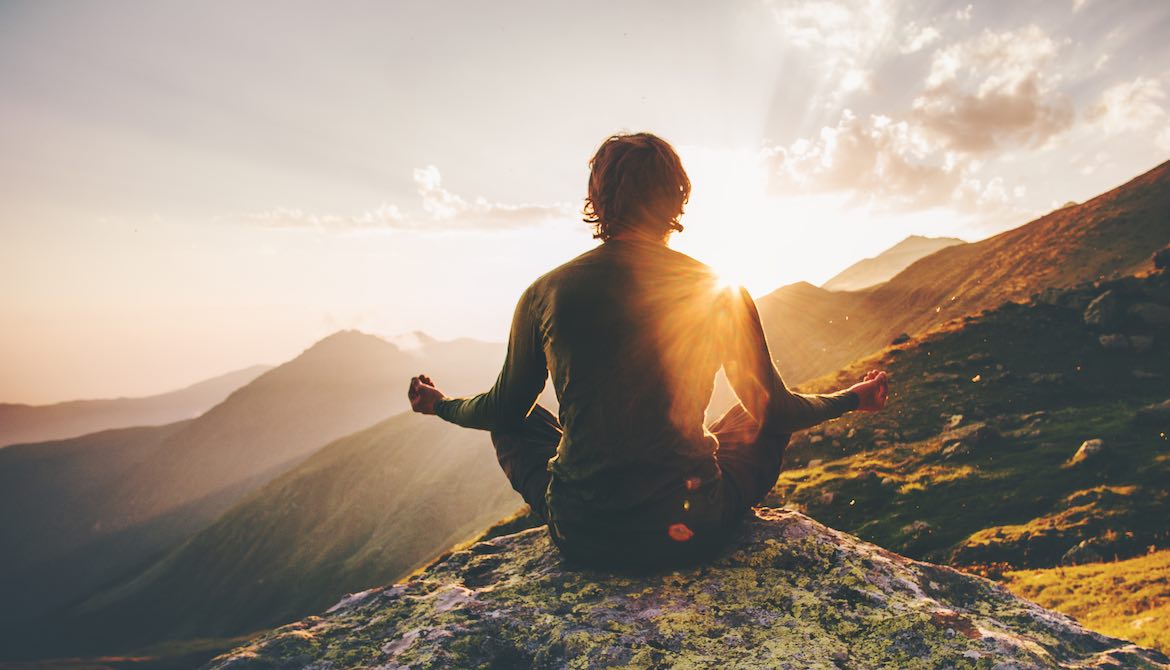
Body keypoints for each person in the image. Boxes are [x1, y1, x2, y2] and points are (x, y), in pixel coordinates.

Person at [408, 132, 889, 572]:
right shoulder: (719, 289)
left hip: (583, 533)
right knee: (754, 416)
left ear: (597, 199)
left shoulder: (546, 292)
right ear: (677, 197)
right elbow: (779, 410)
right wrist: (852, 398)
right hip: (690, 531)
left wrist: (440, 405)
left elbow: (499, 409)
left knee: (519, 419)